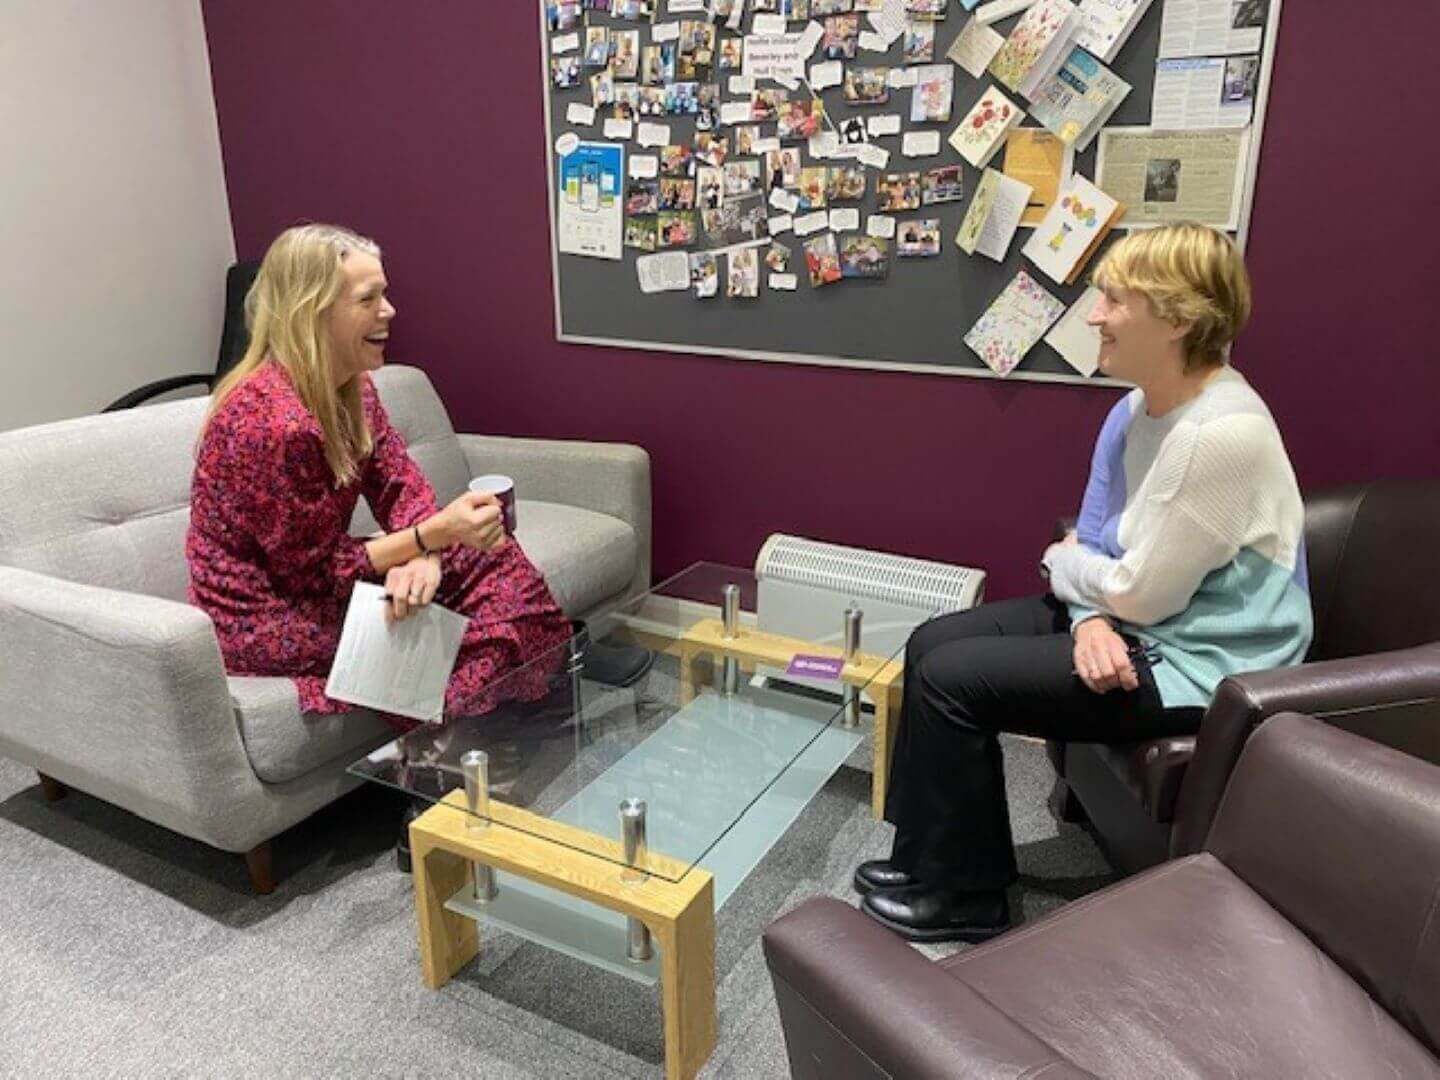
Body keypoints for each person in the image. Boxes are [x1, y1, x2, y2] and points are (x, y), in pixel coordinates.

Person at [856, 222, 1312, 943]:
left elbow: (1129, 587)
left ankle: (969, 898)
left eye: (1113, 299)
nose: (1093, 314)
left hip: (1203, 662)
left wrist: (1076, 577)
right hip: (1132, 617)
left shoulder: (1220, 434)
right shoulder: (1134, 408)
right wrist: (1090, 616)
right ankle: (926, 856)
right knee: (930, 640)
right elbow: (1097, 543)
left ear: (1181, 320)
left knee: (954, 679)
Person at [187, 224, 573, 733]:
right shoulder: (270, 423)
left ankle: (527, 703)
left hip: (323, 569)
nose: (389, 311)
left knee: (492, 559)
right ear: (312, 313)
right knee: (430, 625)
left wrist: (425, 556)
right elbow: (308, 576)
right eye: (369, 299)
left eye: (384, 294)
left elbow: (400, 484)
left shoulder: (353, 389)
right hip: (266, 609)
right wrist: (428, 538)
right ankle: (457, 749)